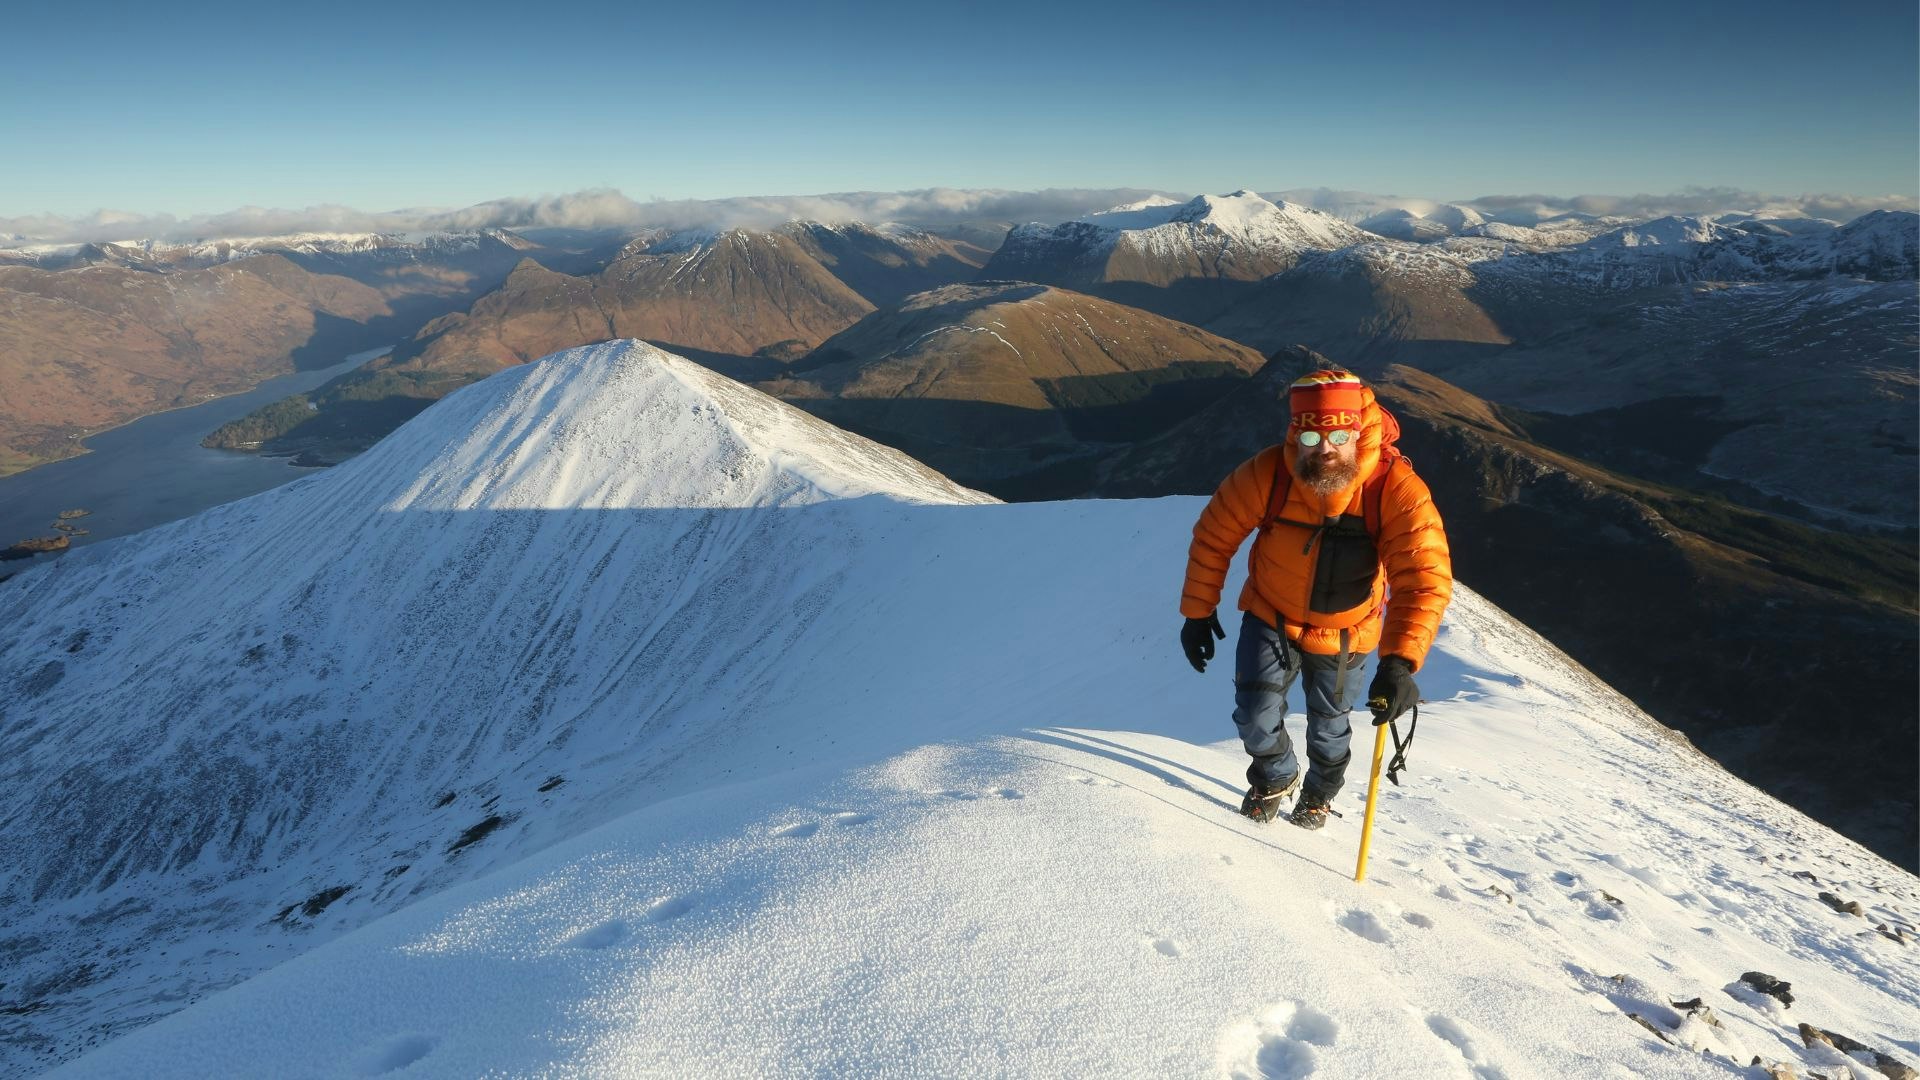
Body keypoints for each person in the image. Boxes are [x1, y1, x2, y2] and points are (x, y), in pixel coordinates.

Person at [1178, 369, 1452, 829]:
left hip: (1348, 633)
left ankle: (1319, 795)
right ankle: (1275, 777)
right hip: (1271, 615)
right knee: (1253, 715)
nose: (1324, 448)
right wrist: (1197, 612)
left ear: (1359, 432)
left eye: (1339, 434)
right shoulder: (1269, 474)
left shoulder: (1394, 489)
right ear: (1295, 433)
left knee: (1329, 728)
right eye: (1310, 435)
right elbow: (1214, 536)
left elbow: (1424, 578)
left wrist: (1400, 662)